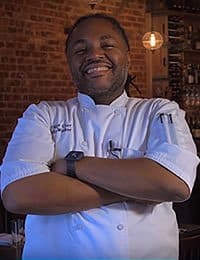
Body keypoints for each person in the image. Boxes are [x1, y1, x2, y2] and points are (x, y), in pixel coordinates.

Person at [1, 13, 199, 260]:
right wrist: (137, 188)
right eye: (80, 50)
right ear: (69, 63)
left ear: (128, 56)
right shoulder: (42, 115)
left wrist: (73, 165)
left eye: (107, 45)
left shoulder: (158, 111)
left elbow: (173, 183)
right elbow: (18, 195)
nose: (94, 55)